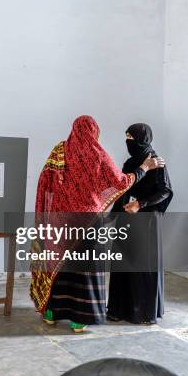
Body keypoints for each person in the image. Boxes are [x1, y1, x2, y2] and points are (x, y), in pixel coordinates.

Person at [29, 116, 164, 333]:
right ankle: (78, 320)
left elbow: (45, 182)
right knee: (84, 271)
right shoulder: (97, 154)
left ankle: (51, 312)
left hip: (59, 221)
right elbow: (120, 182)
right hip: (89, 222)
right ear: (94, 132)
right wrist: (144, 169)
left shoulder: (59, 151)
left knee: (58, 266)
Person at [107, 123, 173, 324]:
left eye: (132, 137)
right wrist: (113, 216)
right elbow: (122, 189)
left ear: (143, 139)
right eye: (126, 137)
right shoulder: (130, 163)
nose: (128, 142)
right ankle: (118, 309)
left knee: (143, 266)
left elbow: (165, 191)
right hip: (127, 218)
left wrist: (140, 204)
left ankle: (144, 312)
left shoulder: (156, 161)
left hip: (146, 219)